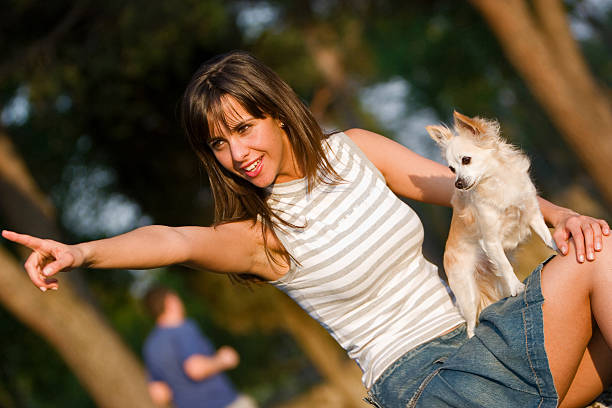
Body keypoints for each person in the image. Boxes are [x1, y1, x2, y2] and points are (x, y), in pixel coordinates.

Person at [2, 50, 611, 408]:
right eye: (218, 142)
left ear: (277, 111)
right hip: (428, 382)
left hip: (481, 335)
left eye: (244, 127)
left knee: (599, 251)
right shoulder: (260, 237)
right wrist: (80, 252)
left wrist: (563, 217)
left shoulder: (357, 150)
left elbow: (474, 190)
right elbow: (172, 239)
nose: (237, 152)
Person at [142, 286, 257, 408]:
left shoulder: (150, 347)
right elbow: (195, 369)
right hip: (222, 402)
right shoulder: (183, 329)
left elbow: (159, 394)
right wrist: (222, 360)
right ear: (170, 301)